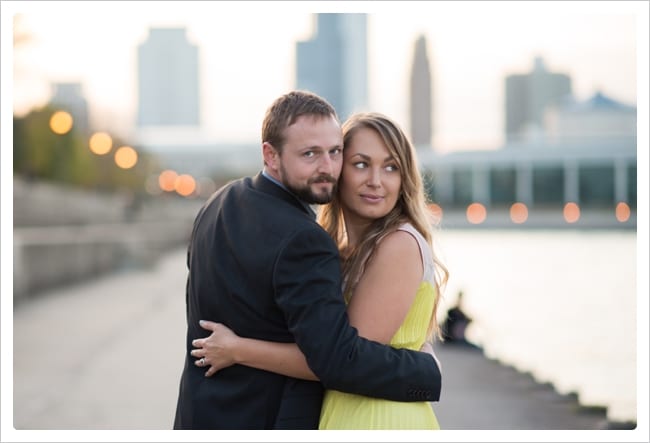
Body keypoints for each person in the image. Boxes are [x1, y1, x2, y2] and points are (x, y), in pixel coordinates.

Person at [173, 91, 442, 430]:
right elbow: (340, 359)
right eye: (310, 154)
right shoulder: (306, 239)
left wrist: (238, 349)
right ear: (271, 155)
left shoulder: (218, 203)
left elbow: (339, 357)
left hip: (202, 417)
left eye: (334, 153)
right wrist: (425, 371)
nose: (326, 167)